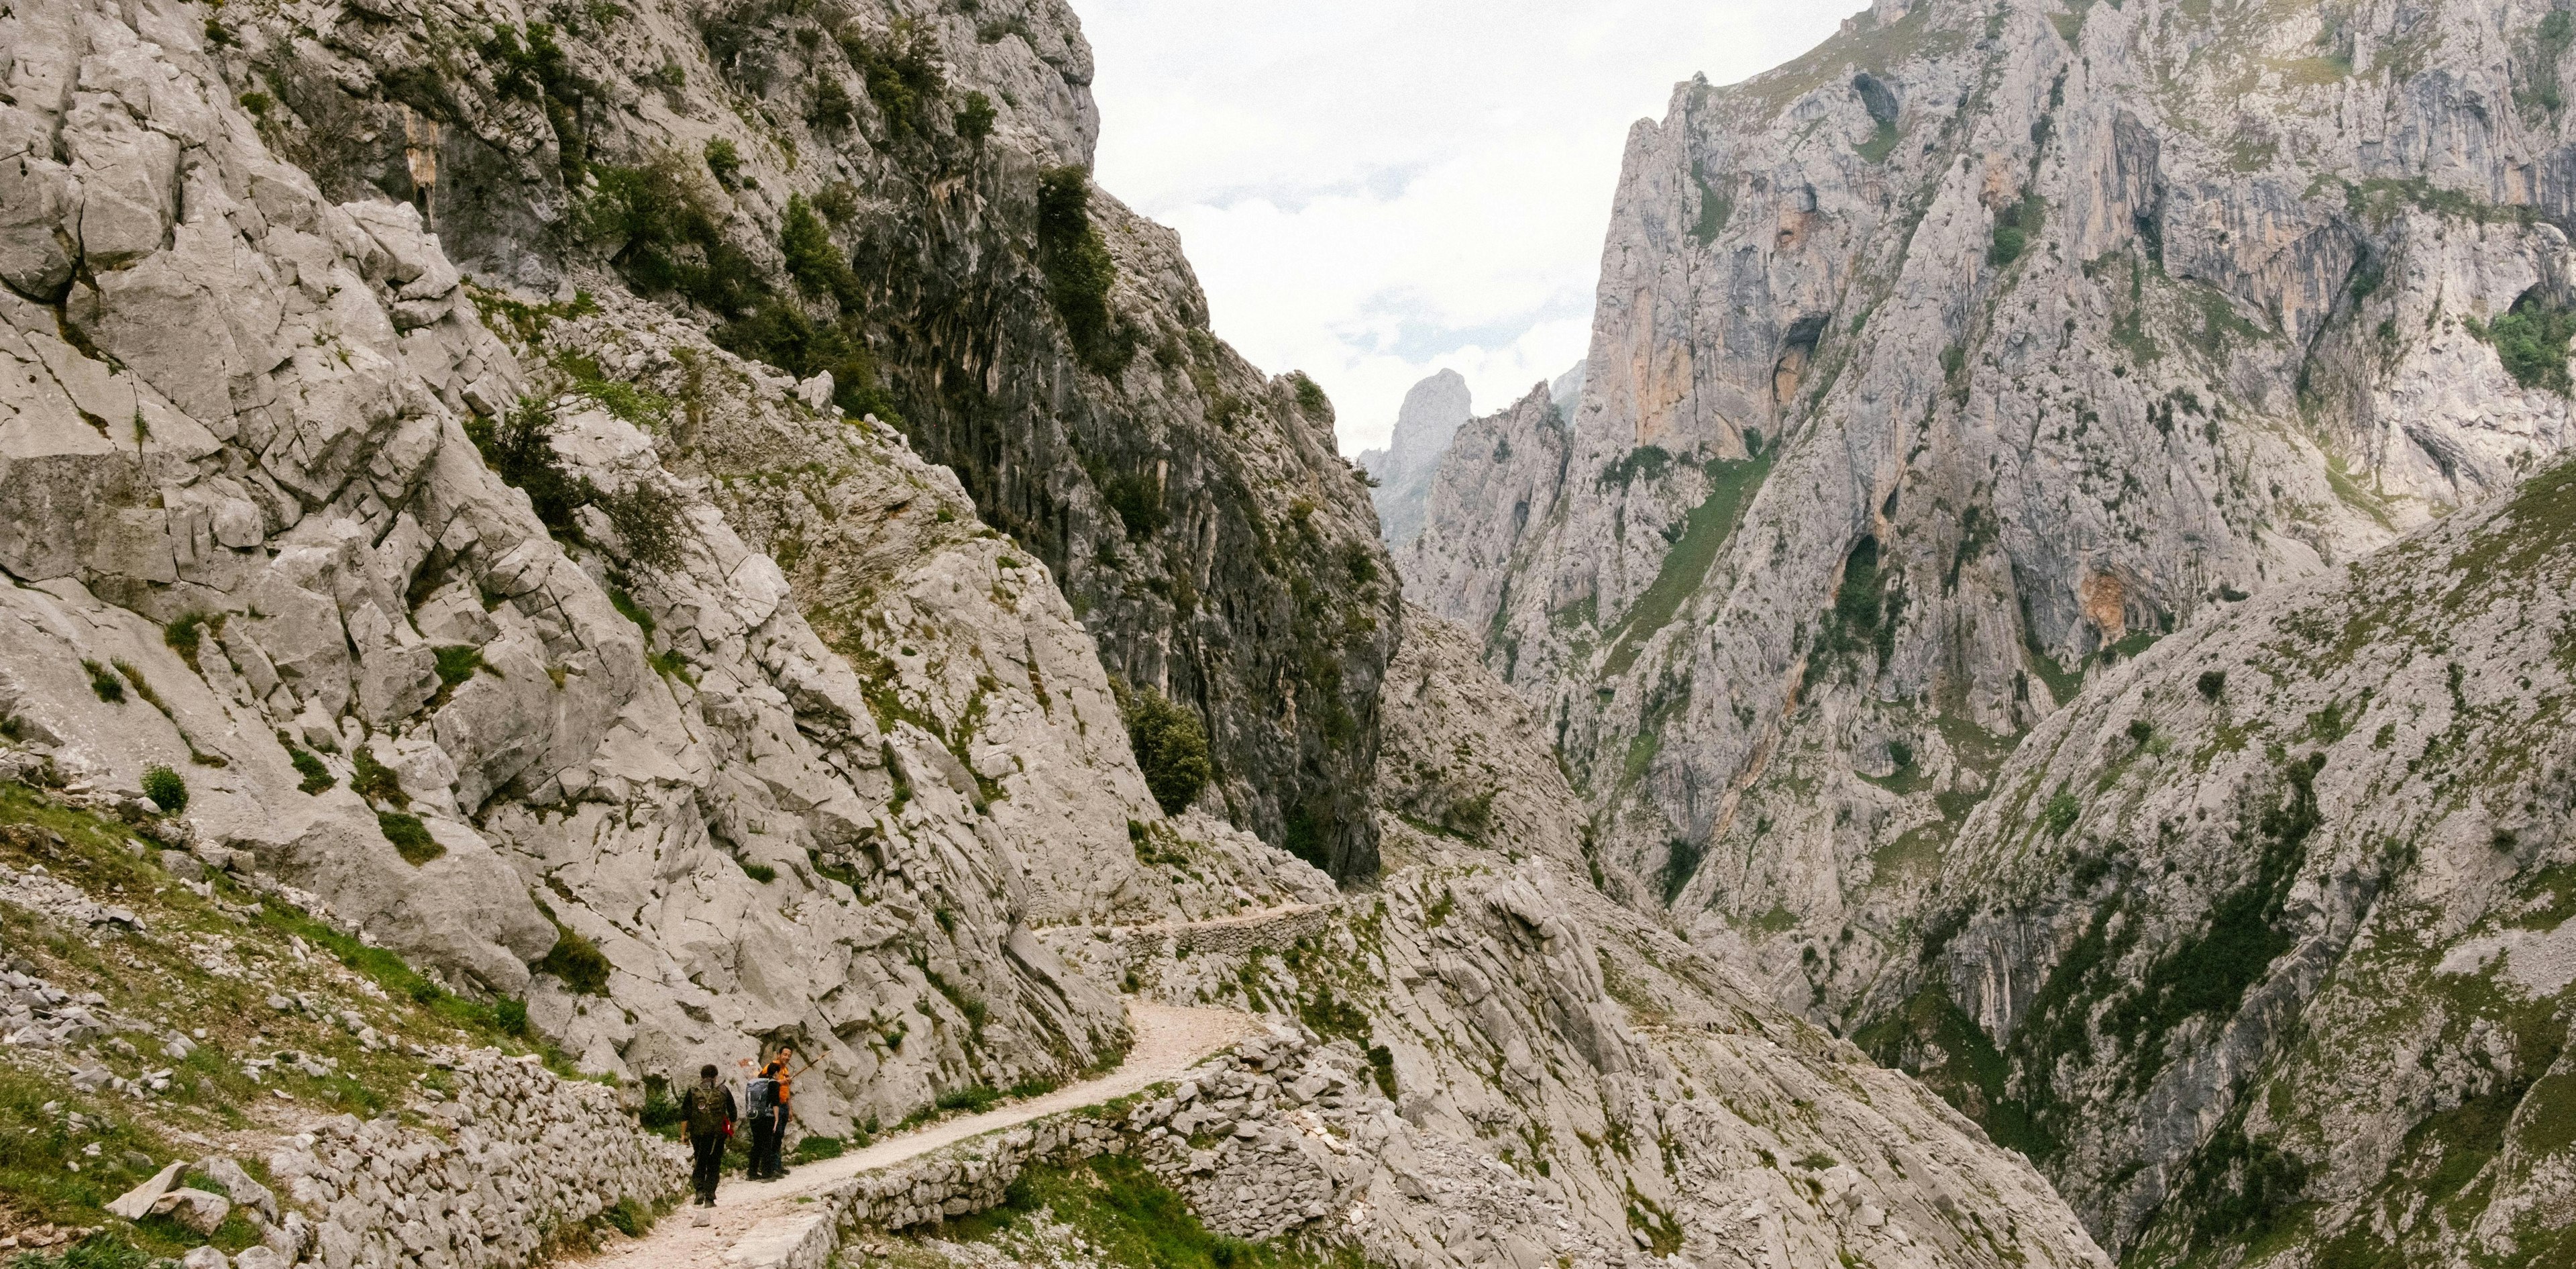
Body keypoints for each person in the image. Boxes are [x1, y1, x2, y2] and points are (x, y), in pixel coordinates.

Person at [678, 1064, 735, 1207]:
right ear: (716, 1077)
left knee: (700, 1161)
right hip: (718, 1135)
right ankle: (710, 1198)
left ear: (702, 1077)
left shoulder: (693, 1092)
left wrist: (683, 1135)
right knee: (714, 1164)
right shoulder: (723, 1090)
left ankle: (699, 1191)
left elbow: (685, 1115)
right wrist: (730, 1131)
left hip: (698, 1135)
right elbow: (733, 1113)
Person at [749, 1047, 796, 1180]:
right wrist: (779, 1082)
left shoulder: (786, 1070)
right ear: (779, 1054)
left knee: (779, 1136)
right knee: (773, 1137)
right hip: (773, 1107)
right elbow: (762, 1082)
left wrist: (790, 1109)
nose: (787, 1057)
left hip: (783, 1105)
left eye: (789, 1055)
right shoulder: (771, 1067)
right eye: (785, 1054)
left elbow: (787, 1091)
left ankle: (777, 1165)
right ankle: (770, 1168)